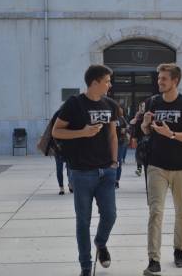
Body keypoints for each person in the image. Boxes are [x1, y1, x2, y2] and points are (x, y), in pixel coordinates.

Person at [52, 64, 119, 276]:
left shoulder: (110, 104)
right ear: (95, 82)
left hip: (106, 171)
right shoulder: (74, 104)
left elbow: (112, 135)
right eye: (107, 81)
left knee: (110, 215)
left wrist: (114, 162)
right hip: (81, 173)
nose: (110, 85)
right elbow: (57, 132)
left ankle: (101, 242)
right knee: (83, 221)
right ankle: (86, 266)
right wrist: (82, 132)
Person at [140, 63, 182, 276]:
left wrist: (172, 134)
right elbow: (146, 131)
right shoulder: (153, 102)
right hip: (156, 165)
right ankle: (153, 259)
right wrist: (145, 124)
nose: (159, 82)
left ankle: (179, 250)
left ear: (175, 81)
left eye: (164, 78)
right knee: (155, 212)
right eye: (159, 78)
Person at [130, 101, 146, 176]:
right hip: (140, 137)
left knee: (146, 154)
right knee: (138, 153)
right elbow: (133, 124)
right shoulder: (138, 115)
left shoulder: (148, 114)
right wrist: (134, 137)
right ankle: (139, 169)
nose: (142, 108)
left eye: (143, 106)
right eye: (141, 106)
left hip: (147, 136)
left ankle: (146, 167)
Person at [115, 106, 130, 189]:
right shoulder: (111, 118)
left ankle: (116, 180)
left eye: (121, 109)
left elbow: (127, 129)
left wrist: (125, 131)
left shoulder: (122, 119)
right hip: (111, 142)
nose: (120, 110)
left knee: (118, 161)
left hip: (120, 142)